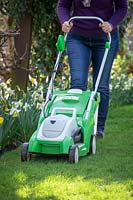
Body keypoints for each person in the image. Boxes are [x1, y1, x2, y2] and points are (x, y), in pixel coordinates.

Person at [57, 0, 128, 138]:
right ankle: (77, 126)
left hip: (105, 38)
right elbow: (63, 5)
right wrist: (65, 21)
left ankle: (98, 128)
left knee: (100, 86)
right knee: (77, 83)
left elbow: (122, 8)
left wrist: (111, 23)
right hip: (77, 37)